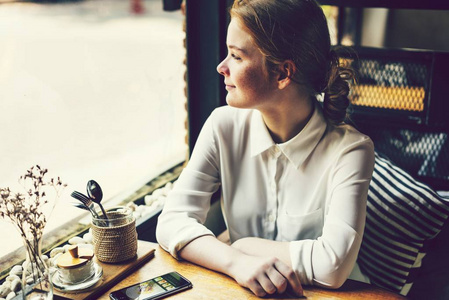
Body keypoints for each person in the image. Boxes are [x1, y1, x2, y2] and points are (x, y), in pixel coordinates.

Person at [156, 0, 375, 297]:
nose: (221, 67)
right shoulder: (223, 125)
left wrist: (243, 246)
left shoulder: (351, 151)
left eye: (236, 56)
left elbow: (332, 267)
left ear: (283, 73)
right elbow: (170, 221)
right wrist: (236, 262)